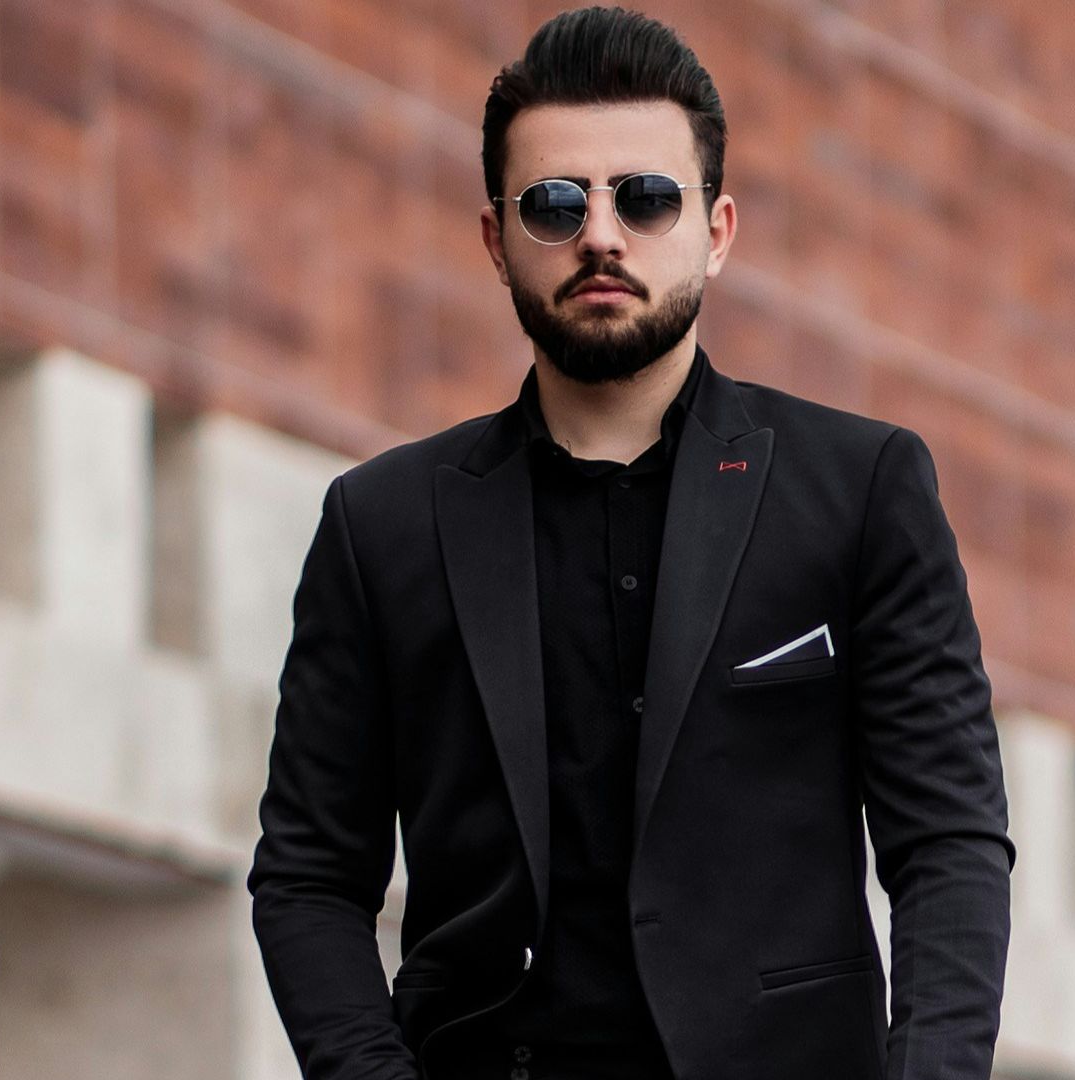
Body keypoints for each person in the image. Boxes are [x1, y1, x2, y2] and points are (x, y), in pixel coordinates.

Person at [246, 7, 1016, 1080]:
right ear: (494, 238)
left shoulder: (861, 490)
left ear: (717, 229)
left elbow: (948, 842)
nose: (600, 234)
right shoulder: (381, 525)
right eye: (555, 205)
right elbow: (308, 875)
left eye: (646, 199)